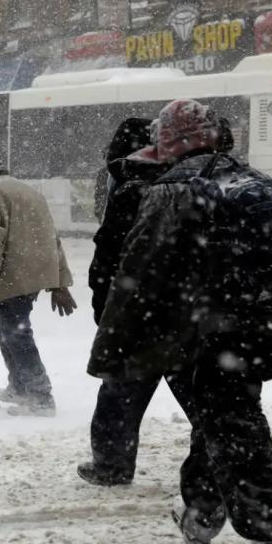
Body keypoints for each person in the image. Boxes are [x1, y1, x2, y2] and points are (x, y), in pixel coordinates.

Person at [88, 99, 272, 544]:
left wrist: (115, 349)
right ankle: (202, 512)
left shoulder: (174, 189)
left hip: (210, 334)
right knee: (220, 417)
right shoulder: (254, 180)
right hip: (267, 336)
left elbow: (139, 273)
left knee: (236, 431)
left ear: (168, 144)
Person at [78, 116, 232, 486]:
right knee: (198, 391)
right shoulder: (194, 182)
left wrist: (105, 304)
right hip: (187, 307)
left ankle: (112, 465)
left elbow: (108, 250)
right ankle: (223, 452)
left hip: (137, 308)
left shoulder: (128, 184)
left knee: (121, 390)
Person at [0, 147, 76, 417]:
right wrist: (59, 282)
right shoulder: (30, 191)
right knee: (6, 330)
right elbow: (52, 237)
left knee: (15, 332)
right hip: (34, 273)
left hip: (12, 274)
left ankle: (39, 395)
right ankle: (20, 386)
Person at [92, 117, 152, 224]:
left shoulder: (117, 173)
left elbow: (101, 197)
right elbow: (100, 196)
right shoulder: (106, 173)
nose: (105, 158)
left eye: (107, 155)